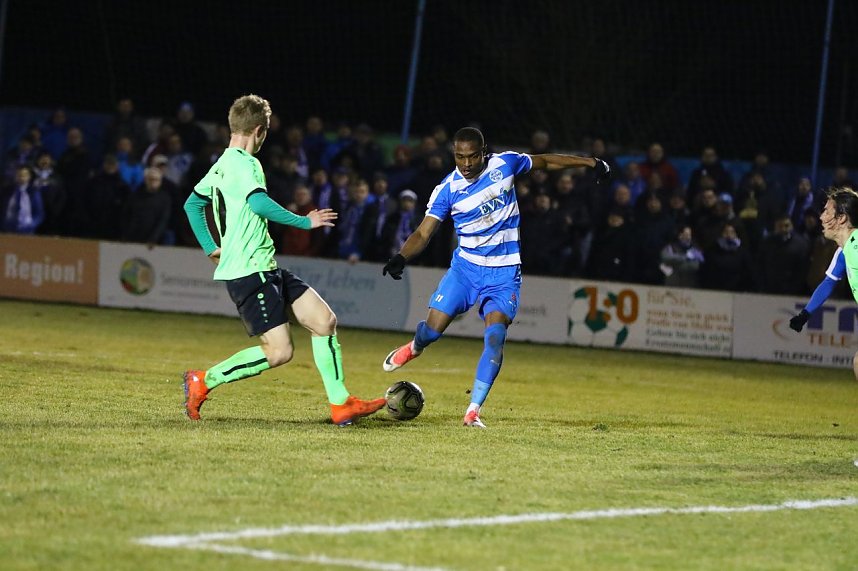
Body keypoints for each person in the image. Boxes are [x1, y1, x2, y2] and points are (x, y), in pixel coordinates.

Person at [380, 127, 610, 428]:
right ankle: (415, 347)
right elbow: (424, 232)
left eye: (472, 156)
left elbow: (546, 161)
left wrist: (589, 162)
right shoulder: (447, 189)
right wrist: (402, 256)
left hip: (504, 272)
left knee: (495, 335)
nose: (466, 163)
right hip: (465, 270)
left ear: (483, 151)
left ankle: (473, 410)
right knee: (433, 331)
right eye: (459, 157)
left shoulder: (505, 164)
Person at [181, 94, 385, 425]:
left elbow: (192, 204)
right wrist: (306, 221)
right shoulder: (247, 164)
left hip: (265, 266)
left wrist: (210, 247)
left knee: (323, 321)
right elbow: (259, 203)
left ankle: (341, 404)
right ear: (260, 131)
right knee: (279, 352)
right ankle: (203, 381)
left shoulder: (221, 164)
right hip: (250, 271)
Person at [789, 186, 858, 379]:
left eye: (827, 211)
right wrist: (805, 313)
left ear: (842, 218)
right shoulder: (845, 251)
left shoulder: (856, 247)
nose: (821, 217)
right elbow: (829, 282)